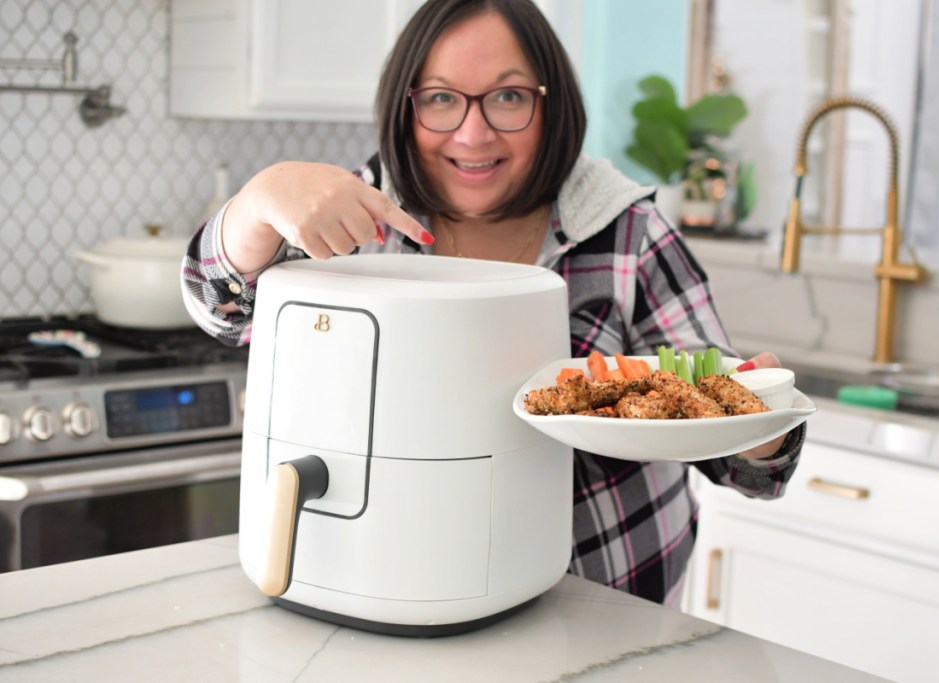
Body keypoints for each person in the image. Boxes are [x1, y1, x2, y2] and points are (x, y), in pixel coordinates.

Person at [181, 0, 804, 609]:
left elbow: (744, 463)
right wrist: (256, 203)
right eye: (441, 98)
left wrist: (755, 432)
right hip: (393, 589)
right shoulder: (354, 214)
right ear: (406, 105)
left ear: (548, 103)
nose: (473, 133)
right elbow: (223, 311)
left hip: (603, 602)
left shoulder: (626, 232)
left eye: (507, 97)